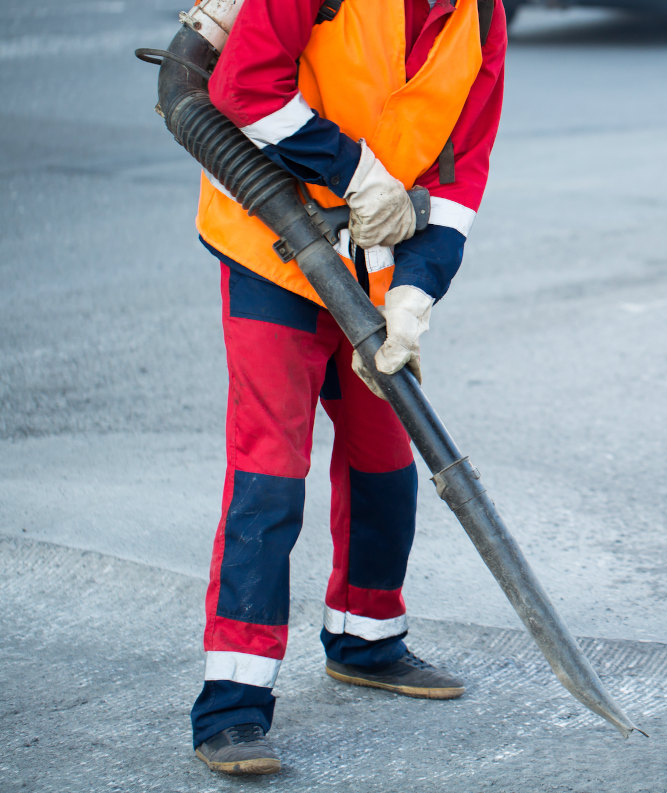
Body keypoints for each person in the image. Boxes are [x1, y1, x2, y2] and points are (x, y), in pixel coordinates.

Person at [186, 0, 506, 775]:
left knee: (384, 460)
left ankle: (367, 638)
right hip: (270, 248)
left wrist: (417, 293)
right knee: (270, 472)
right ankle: (231, 706)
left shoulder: (481, 19)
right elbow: (241, 87)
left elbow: (459, 170)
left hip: (375, 264)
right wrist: (355, 172)